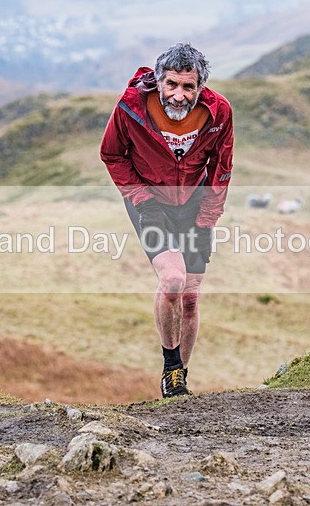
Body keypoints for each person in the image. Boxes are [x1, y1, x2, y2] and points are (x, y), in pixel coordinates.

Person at [100, 42, 234, 398]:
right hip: (149, 201)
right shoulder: (131, 108)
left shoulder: (219, 112)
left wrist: (207, 218)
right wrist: (141, 199)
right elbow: (111, 154)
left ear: (200, 87)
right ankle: (170, 366)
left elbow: (222, 169)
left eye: (188, 87)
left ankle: (180, 380)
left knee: (190, 296)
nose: (179, 95)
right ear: (158, 82)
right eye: (171, 84)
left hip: (194, 203)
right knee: (173, 280)